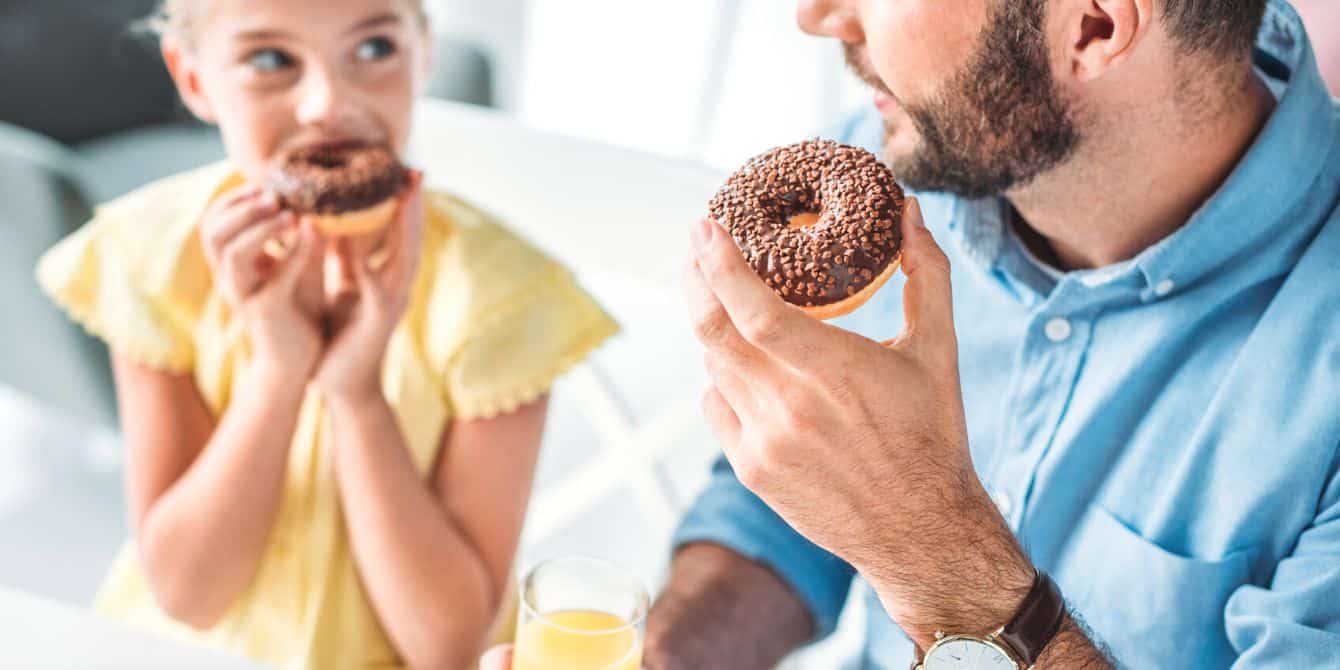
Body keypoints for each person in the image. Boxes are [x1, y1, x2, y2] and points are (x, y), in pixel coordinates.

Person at [485, 0, 1338, 668]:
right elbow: (785, 521)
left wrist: (939, 553)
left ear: (1095, 24)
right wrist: (675, 652)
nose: (815, 15)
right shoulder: (903, 178)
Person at [35, 1, 617, 668]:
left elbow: (446, 646)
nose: (327, 103)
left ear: (423, 53)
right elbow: (188, 594)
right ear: (194, 79)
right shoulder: (152, 258)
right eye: (270, 59)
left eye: (373, 49)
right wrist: (278, 373)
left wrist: (357, 394)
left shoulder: (499, 297)